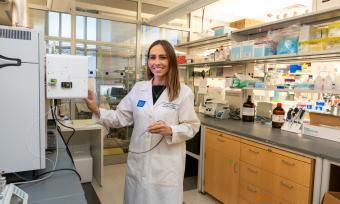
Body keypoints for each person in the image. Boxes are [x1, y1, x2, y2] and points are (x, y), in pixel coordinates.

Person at [85, 40, 200, 204]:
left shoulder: (183, 92)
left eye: (163, 57)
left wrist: (170, 130)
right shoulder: (139, 88)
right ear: (148, 62)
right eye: (152, 57)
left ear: (171, 61)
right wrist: (96, 109)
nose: (157, 62)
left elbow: (192, 126)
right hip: (138, 162)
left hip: (165, 166)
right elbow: (120, 117)